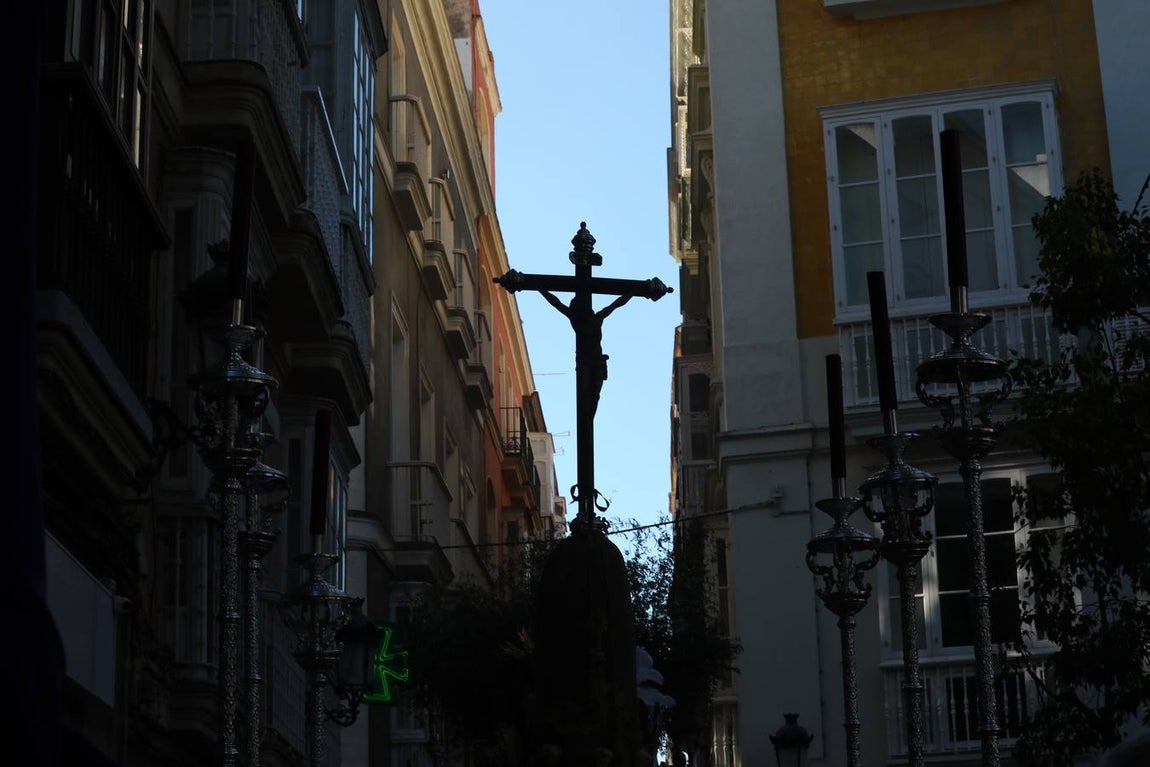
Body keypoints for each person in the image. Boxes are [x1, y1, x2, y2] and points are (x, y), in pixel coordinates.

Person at [539, 288, 635, 418]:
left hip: (595, 362)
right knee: (587, 395)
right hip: (586, 362)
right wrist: (632, 292)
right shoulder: (587, 318)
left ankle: (588, 420)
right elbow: (555, 302)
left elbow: (616, 304)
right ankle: (587, 420)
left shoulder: (587, 318)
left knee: (593, 395)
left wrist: (631, 292)